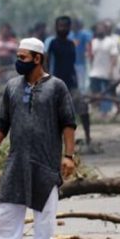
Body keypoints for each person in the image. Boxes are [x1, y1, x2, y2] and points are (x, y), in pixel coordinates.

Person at [0, 38, 76, 239]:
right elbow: (2, 122)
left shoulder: (57, 87)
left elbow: (68, 123)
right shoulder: (12, 87)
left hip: (45, 162)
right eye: (17, 57)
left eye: (23, 57)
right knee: (8, 212)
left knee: (45, 216)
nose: (18, 62)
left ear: (38, 58)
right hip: (16, 161)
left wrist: (68, 156)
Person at [48, 16, 91, 146]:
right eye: (60, 26)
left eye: (66, 26)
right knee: (55, 113)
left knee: (83, 108)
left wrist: (76, 81)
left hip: (71, 83)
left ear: (69, 27)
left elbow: (72, 65)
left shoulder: (71, 44)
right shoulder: (53, 44)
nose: (63, 28)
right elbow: (46, 61)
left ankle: (88, 137)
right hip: (56, 83)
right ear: (56, 27)